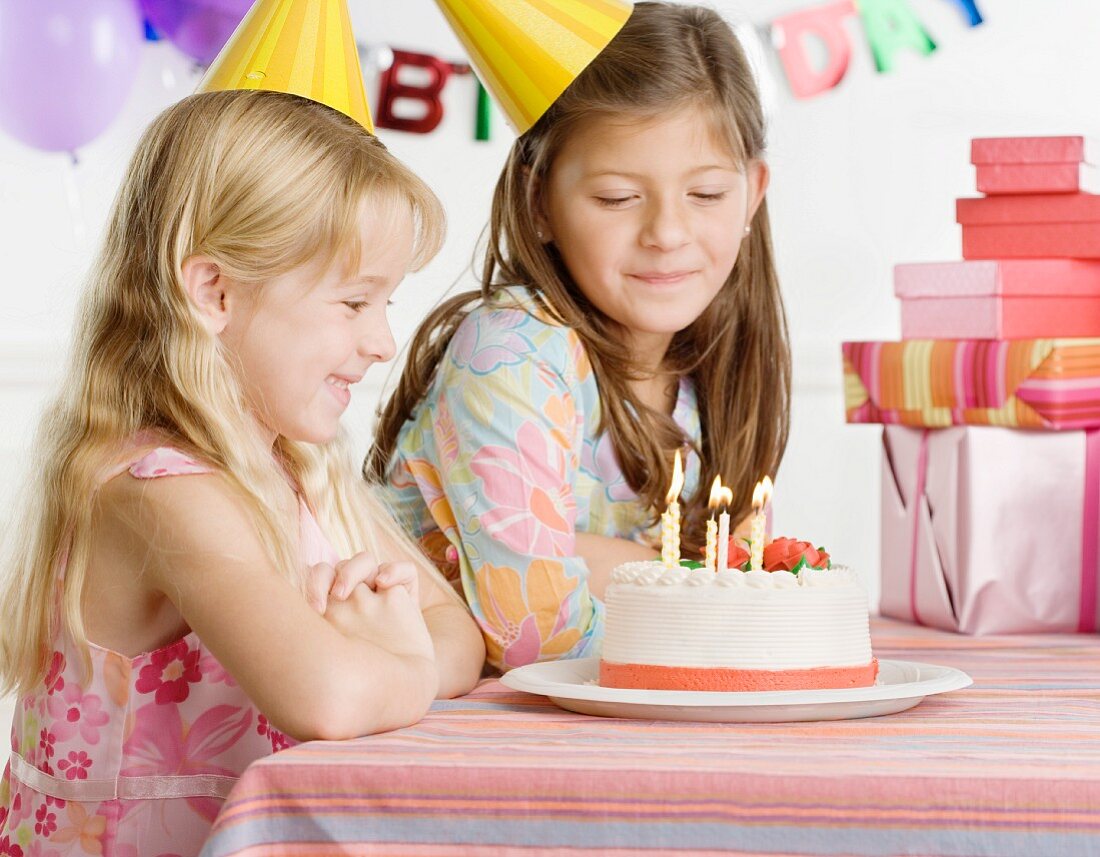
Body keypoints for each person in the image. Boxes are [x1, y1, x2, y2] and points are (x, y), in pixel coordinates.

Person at [0, 89, 485, 855]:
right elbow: (326, 696)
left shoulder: (298, 467)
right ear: (215, 293)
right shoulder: (156, 489)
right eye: (355, 302)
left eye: (386, 302)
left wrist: (387, 661)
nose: (385, 340)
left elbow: (456, 631)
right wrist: (394, 655)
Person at [368, 1, 791, 673]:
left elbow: (746, 579)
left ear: (753, 194)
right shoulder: (510, 351)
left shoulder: (712, 373)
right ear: (539, 202)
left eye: (707, 194)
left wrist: (602, 560)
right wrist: (688, 580)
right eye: (619, 198)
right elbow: (540, 632)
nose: (668, 234)